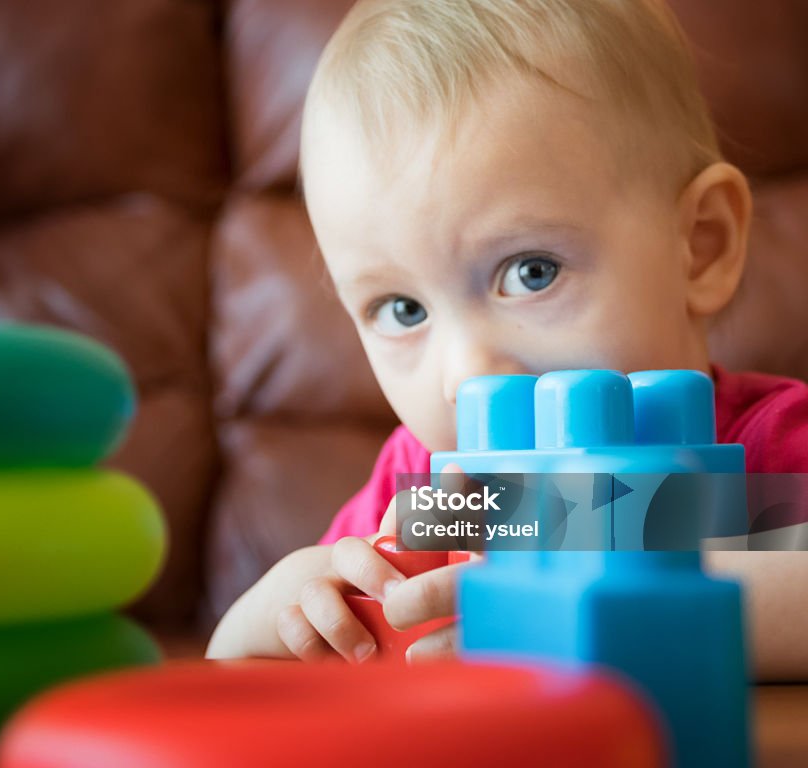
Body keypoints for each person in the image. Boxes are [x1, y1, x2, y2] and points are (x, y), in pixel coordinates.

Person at [207, 0, 808, 679]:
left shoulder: (772, 448)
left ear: (699, 247)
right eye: (402, 309)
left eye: (531, 272)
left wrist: (604, 616)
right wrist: (274, 614)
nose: (467, 375)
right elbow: (239, 668)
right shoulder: (425, 493)